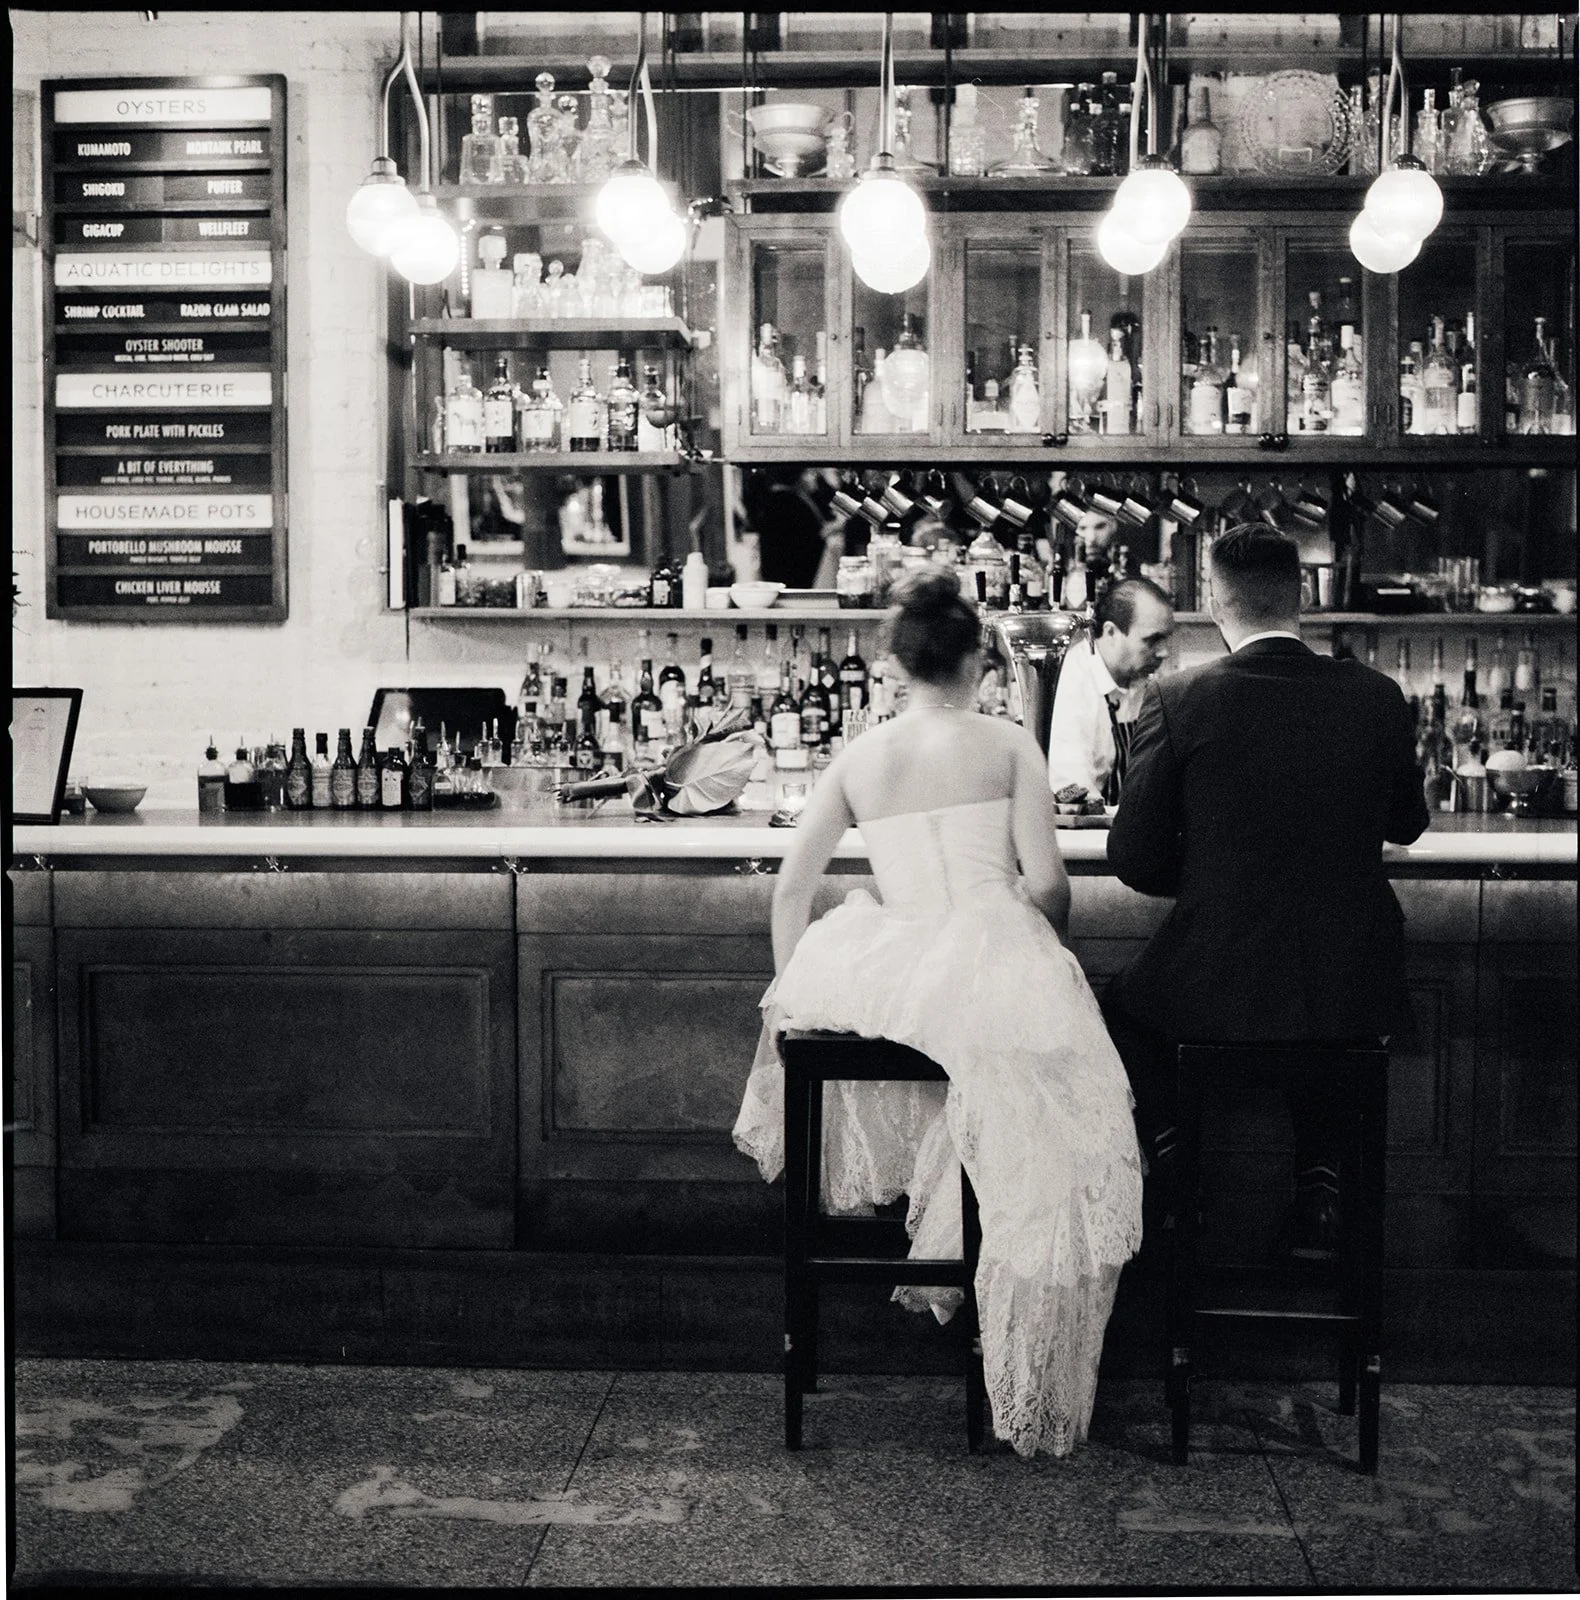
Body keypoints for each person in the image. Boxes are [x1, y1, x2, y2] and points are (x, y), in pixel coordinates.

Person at [733, 571, 1143, 1458]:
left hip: (886, 973)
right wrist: (1050, 956)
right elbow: (1047, 886)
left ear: (899, 665)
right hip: (991, 957)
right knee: (1062, 1128)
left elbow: (791, 893)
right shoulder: (1006, 744)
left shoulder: (859, 756)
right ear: (976, 661)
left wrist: (794, 1008)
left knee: (972, 1089)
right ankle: (1021, 1344)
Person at [1103, 525, 1429, 1257]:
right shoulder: (1378, 696)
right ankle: (1318, 1186)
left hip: (1221, 982)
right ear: (1304, 596)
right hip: (1354, 983)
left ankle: (1178, 1169)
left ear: (1215, 599)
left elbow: (1133, 856)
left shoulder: (1179, 698)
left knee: (1116, 1011)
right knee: (1320, 1028)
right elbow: (1409, 822)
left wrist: (1215, 871)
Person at [1046, 577, 1175, 805]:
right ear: (1111, 632)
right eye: (1152, 640)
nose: (1164, 652)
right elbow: (1073, 786)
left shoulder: (1147, 681)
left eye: (1166, 639)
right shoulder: (1074, 681)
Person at [753, 466, 847, 589]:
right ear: (798, 477)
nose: (814, 478)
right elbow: (811, 537)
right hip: (791, 575)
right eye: (809, 473)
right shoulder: (787, 501)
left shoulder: (789, 497)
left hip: (786, 573)